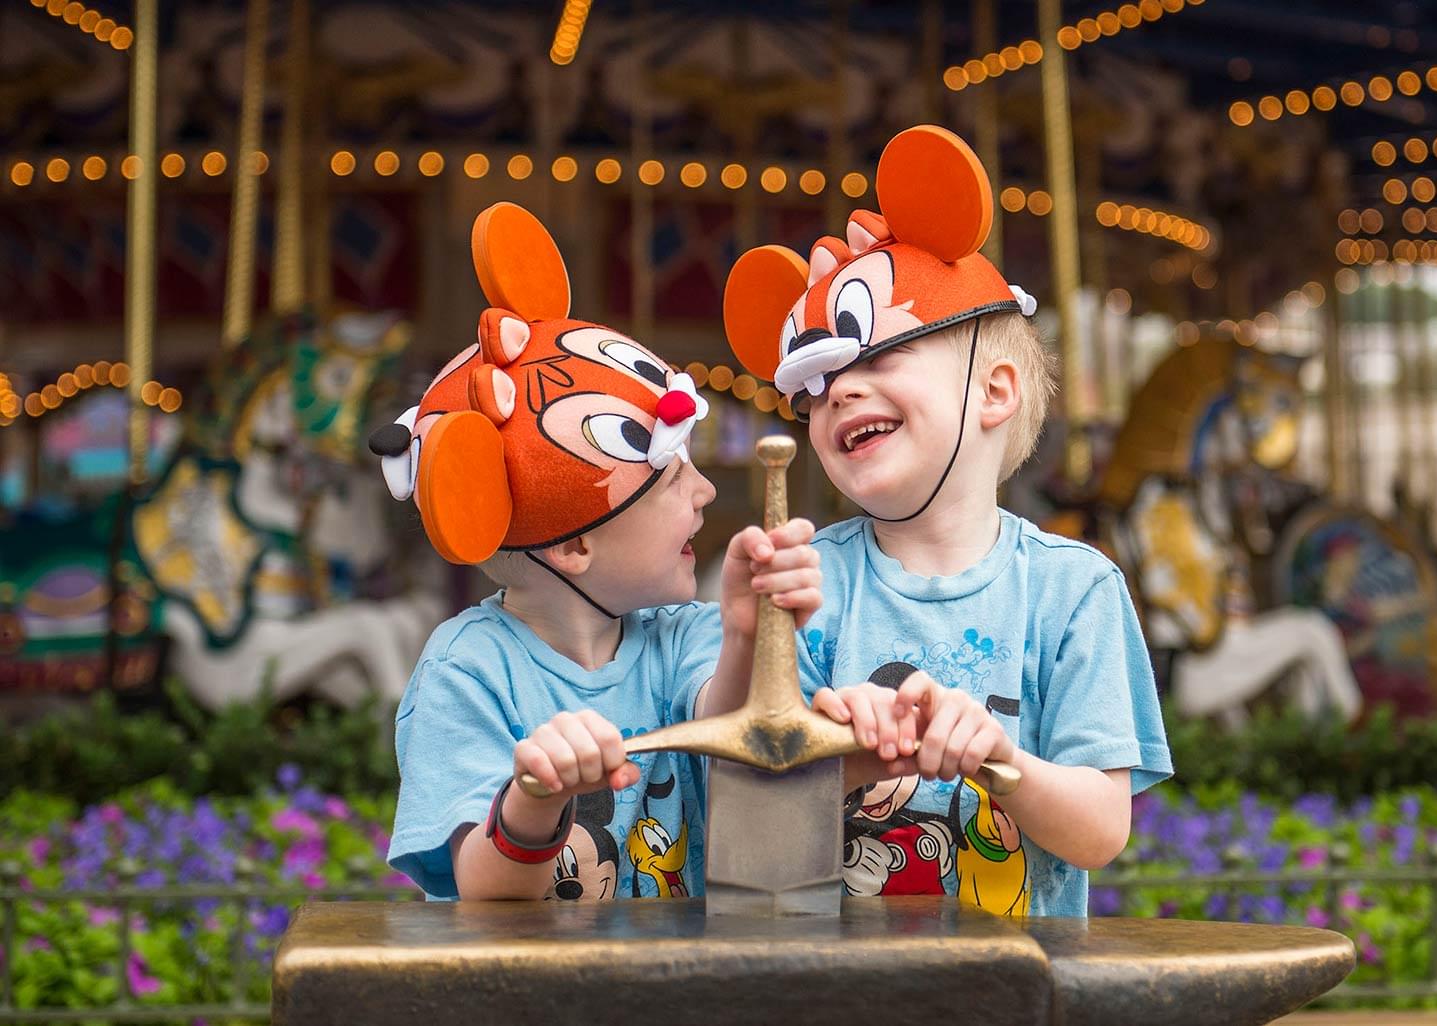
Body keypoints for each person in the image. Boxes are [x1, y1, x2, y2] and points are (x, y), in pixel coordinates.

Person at [722, 125, 1171, 917]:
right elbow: (749, 830)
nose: (838, 395)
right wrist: (846, 758)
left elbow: (1101, 831)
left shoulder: (1074, 589)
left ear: (994, 392)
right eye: (816, 387)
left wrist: (998, 757)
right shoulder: (803, 584)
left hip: (1016, 986)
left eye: (874, 360)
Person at [379, 201, 820, 901]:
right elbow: (485, 896)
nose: (706, 492)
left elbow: (739, 739)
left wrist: (744, 633)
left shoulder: (686, 637)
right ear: (576, 543)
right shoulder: (466, 672)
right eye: (674, 477)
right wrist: (535, 800)